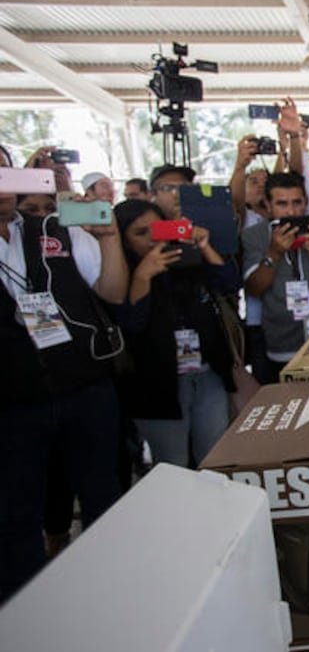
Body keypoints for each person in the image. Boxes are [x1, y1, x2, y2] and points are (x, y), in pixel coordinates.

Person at [1, 143, 129, 602]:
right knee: (15, 516)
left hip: (85, 390)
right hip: (12, 405)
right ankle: (26, 615)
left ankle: (111, 595)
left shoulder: (55, 229)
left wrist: (110, 237)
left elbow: (113, 292)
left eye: (4, 170)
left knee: (103, 495)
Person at [113, 199, 239, 468]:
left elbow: (229, 283)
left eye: (156, 229)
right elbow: (131, 324)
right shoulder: (120, 274)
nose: (150, 239)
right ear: (123, 240)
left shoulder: (185, 260)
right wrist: (143, 277)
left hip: (207, 374)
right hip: (157, 387)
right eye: (139, 233)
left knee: (213, 460)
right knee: (173, 466)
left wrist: (203, 247)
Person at [242, 172, 309, 383]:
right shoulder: (254, 236)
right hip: (279, 342)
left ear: (305, 202)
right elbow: (255, 289)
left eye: (297, 202)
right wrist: (273, 254)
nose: (292, 211)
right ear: (267, 205)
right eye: (282, 204)